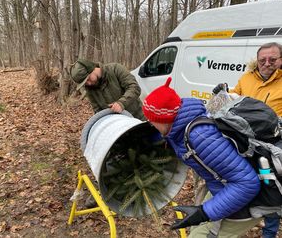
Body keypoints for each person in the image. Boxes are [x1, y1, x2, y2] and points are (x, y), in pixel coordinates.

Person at [142, 77, 263, 237]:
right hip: (222, 186)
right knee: (197, 229)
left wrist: (205, 213)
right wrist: (143, 141)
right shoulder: (181, 120)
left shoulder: (200, 137)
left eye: (152, 120)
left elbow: (248, 183)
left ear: (164, 119)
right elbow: (171, 136)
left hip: (248, 199)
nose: (150, 123)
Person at [213, 42, 282, 238]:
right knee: (245, 182)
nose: (267, 63)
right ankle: (241, 221)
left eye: (272, 59)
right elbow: (235, 97)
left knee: (270, 190)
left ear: (281, 60)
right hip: (243, 144)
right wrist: (223, 91)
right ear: (257, 61)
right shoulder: (247, 77)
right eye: (262, 60)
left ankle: (269, 232)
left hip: (270, 149)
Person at [70, 58, 145, 120]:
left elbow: (134, 88)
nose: (88, 83)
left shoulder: (115, 69)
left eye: (88, 79)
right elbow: (97, 110)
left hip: (138, 118)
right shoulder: (90, 89)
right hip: (118, 125)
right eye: (85, 83)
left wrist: (121, 103)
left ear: (92, 69)